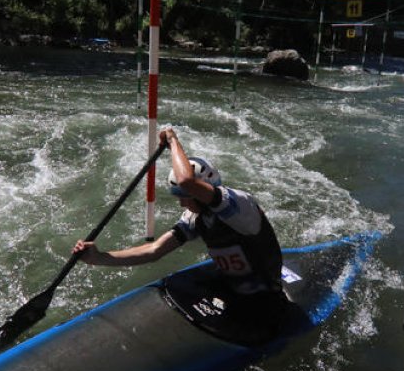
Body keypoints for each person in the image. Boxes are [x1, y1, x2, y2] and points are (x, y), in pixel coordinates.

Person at [73, 128, 286, 321]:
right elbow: (154, 251)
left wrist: (173, 141)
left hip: (266, 297)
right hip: (231, 287)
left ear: (204, 189)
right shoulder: (196, 217)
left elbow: (187, 182)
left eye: (185, 197)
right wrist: (99, 258)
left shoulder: (239, 205)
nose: (182, 202)